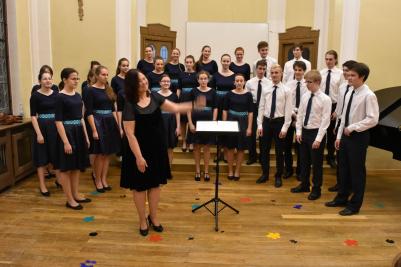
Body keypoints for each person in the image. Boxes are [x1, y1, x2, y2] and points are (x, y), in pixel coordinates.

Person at [121, 69, 204, 236]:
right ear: (132, 85)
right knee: (139, 188)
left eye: (144, 79)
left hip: (156, 148)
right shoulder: (129, 104)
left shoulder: (155, 97)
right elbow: (129, 134)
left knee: (155, 185)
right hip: (137, 151)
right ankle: (142, 220)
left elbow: (175, 107)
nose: (144, 82)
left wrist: (195, 105)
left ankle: (154, 216)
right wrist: (138, 157)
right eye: (139, 81)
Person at [325, 62, 379, 216]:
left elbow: (373, 119)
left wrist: (354, 127)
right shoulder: (350, 92)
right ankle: (341, 198)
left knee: (356, 172)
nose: (349, 78)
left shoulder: (369, 95)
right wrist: (339, 135)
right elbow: (343, 116)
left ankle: (354, 205)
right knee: (343, 168)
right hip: (345, 136)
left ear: (362, 77)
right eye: (348, 75)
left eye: (353, 75)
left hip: (358, 137)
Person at [290, 70, 331, 200]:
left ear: (318, 82)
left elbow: (325, 121)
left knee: (316, 163)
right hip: (304, 131)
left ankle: (316, 189)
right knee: (304, 161)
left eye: (310, 82)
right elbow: (300, 115)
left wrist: (318, 139)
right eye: (306, 82)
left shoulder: (326, 99)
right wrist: (299, 132)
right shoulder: (305, 96)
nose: (307, 84)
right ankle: (304, 184)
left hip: (316, 132)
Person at [55, 68, 91, 210]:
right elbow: (58, 121)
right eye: (73, 78)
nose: (76, 81)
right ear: (64, 80)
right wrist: (65, 142)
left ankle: (75, 194)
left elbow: (81, 117)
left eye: (77, 78)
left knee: (76, 167)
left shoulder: (77, 96)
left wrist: (86, 137)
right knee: (66, 168)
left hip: (78, 133)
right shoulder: (59, 97)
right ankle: (69, 199)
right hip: (67, 133)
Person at [86, 66, 120, 193]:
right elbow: (89, 112)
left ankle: (104, 179)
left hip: (110, 122)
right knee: (100, 155)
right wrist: (94, 130)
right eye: (103, 75)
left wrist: (119, 126)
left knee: (107, 155)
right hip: (98, 122)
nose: (106, 77)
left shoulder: (109, 89)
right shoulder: (90, 90)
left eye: (107, 75)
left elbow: (113, 110)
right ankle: (98, 180)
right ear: (97, 75)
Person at [256, 64, 292, 187]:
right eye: (272, 73)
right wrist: (259, 124)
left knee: (279, 151)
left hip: (279, 122)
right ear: (270, 74)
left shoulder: (286, 90)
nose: (274, 75)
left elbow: (288, 110)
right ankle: (265, 174)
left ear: (281, 73)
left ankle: (278, 175)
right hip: (266, 122)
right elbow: (261, 107)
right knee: (264, 150)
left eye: (277, 72)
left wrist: (285, 127)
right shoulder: (265, 88)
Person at [328, 60, 358, 192]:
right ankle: (340, 183)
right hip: (340, 123)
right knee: (340, 158)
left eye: (348, 71)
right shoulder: (342, 87)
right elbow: (340, 106)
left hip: (351, 126)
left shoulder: (355, 88)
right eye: (344, 70)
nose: (345, 73)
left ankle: (350, 185)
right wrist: (335, 115)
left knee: (350, 160)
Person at [30, 71, 61, 196]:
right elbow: (33, 116)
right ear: (40, 81)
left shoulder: (57, 95)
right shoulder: (35, 96)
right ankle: (42, 185)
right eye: (45, 79)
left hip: (55, 127)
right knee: (41, 157)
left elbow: (60, 113)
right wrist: (39, 134)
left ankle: (59, 180)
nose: (48, 81)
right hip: (42, 127)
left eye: (49, 78)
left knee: (56, 155)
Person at [187, 71, 218, 182]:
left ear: (208, 80)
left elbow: (215, 108)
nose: (203, 80)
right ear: (198, 80)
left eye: (205, 79)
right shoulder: (193, 91)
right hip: (195, 122)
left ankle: (206, 171)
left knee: (206, 148)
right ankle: (197, 171)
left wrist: (214, 121)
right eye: (201, 78)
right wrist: (190, 123)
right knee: (196, 147)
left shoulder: (213, 92)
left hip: (208, 123)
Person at [222, 73, 253, 181]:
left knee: (240, 148)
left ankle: (237, 171)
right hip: (231, 121)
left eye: (241, 81)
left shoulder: (248, 95)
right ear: (234, 82)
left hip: (243, 122)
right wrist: (225, 124)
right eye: (237, 81)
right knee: (230, 148)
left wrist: (249, 127)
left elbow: (250, 112)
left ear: (244, 82)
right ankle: (230, 170)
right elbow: (224, 110)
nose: (239, 83)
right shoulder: (229, 94)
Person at [283, 61, 308, 179]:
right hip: (290, 116)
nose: (298, 72)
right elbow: (286, 102)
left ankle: (300, 171)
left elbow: (307, 102)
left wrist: (299, 116)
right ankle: (288, 169)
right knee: (287, 146)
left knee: (300, 147)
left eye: (300, 70)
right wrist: (292, 113)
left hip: (302, 118)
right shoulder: (288, 84)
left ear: (304, 71)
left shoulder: (307, 84)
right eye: (296, 70)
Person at [320, 50, 344, 168]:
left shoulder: (340, 74)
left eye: (330, 59)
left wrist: (337, 111)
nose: (328, 61)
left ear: (335, 60)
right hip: (322, 105)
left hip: (334, 106)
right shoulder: (321, 73)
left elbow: (342, 94)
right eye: (326, 59)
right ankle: (318, 156)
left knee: (331, 133)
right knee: (320, 131)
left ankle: (330, 157)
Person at [245, 59, 271, 165]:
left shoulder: (269, 83)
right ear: (256, 69)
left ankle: (262, 157)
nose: (261, 71)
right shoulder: (250, 82)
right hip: (253, 107)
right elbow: (246, 97)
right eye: (260, 68)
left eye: (264, 69)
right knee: (251, 133)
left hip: (264, 108)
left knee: (262, 133)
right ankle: (252, 156)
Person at [158, 74, 180, 166]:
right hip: (159, 122)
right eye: (164, 81)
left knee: (170, 148)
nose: (166, 83)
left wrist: (178, 126)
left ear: (170, 83)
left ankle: (168, 169)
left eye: (168, 81)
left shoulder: (174, 96)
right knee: (159, 147)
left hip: (171, 123)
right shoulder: (155, 95)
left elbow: (177, 112)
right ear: (160, 83)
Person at [178, 55, 198, 153]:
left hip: (193, 99)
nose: (189, 64)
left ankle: (191, 142)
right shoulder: (181, 74)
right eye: (187, 62)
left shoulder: (197, 74)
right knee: (183, 121)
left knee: (192, 120)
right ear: (185, 63)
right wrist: (178, 99)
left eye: (190, 62)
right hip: (183, 98)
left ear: (193, 63)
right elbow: (179, 88)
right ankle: (184, 141)